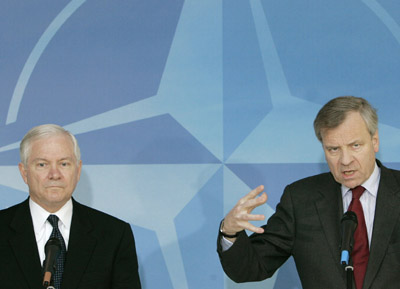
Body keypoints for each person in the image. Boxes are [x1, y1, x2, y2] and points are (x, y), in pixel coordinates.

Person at [217, 96, 400, 289]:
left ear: (375, 141)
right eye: (334, 149)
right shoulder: (301, 200)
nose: (345, 160)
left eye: (355, 146)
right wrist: (229, 231)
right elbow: (251, 267)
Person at [0, 124, 141, 289]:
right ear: (24, 172)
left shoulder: (114, 235)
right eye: (42, 165)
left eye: (64, 164)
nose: (54, 175)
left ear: (78, 170)